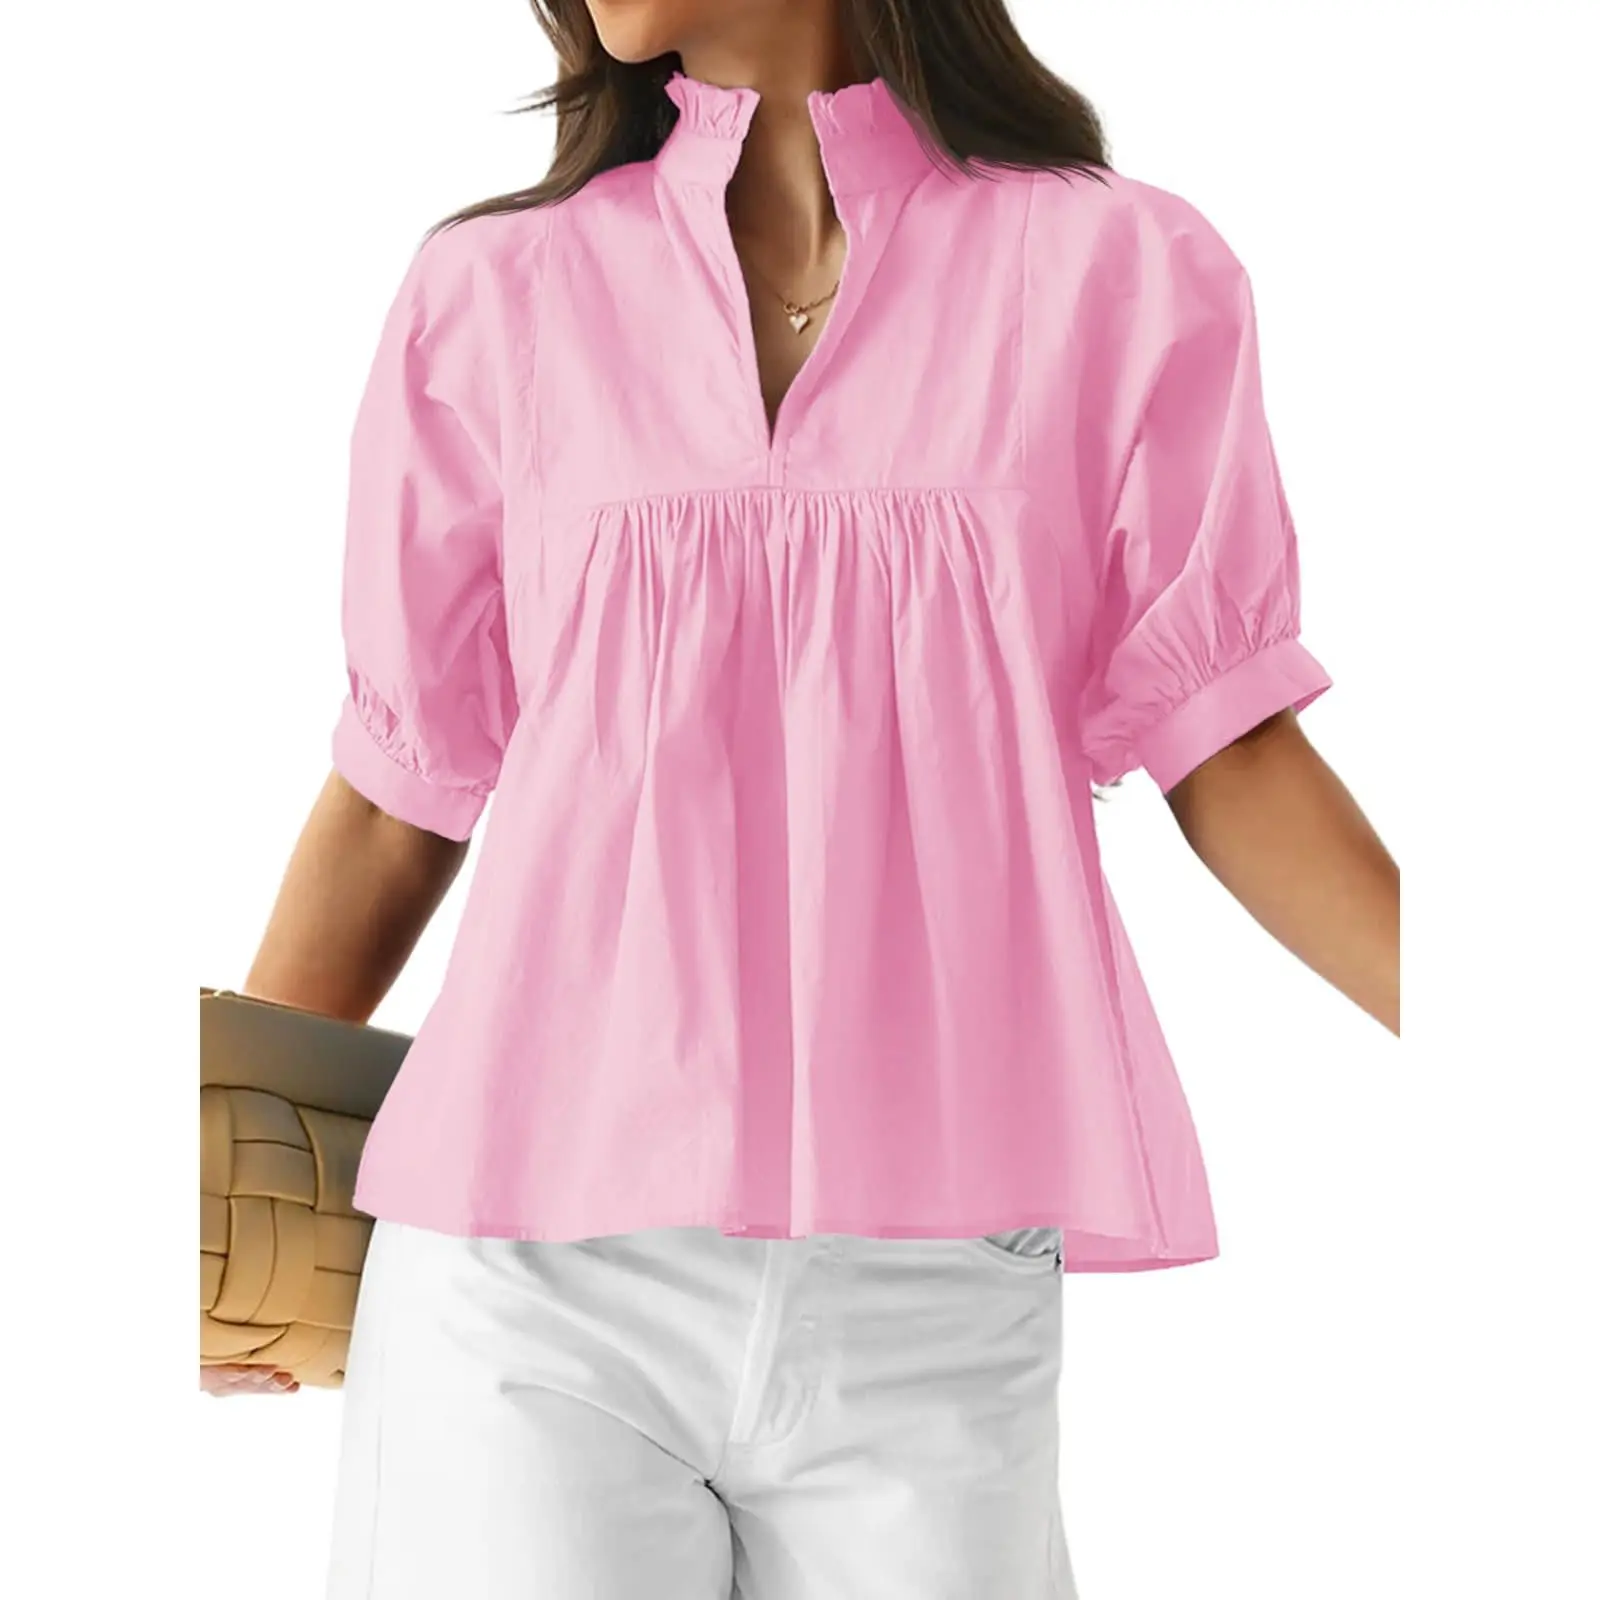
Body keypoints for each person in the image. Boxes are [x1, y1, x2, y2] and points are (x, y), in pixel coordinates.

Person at [205, 1, 1401, 1595]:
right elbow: (398, 790)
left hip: (936, 1283)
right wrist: (223, 1181)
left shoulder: (1117, 274)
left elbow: (1227, 738)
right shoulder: (495, 294)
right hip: (522, 1270)